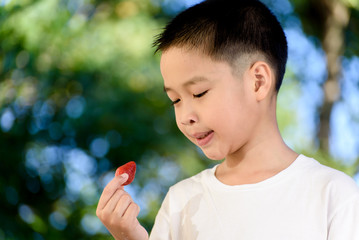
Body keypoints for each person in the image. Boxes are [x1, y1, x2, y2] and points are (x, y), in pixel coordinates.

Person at [96, 0, 359, 239]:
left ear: (258, 82)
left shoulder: (333, 195)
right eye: (175, 100)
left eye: (199, 93)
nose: (185, 116)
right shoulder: (182, 203)